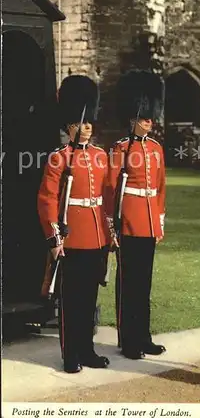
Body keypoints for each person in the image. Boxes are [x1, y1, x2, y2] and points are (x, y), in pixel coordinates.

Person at [38, 75, 112, 373]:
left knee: (90, 297)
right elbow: (47, 201)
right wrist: (55, 240)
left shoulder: (99, 156)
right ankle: (71, 354)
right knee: (71, 301)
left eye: (89, 123)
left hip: (96, 237)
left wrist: (110, 233)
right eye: (82, 123)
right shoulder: (59, 158)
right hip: (72, 238)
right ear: (69, 126)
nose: (87, 128)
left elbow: (106, 198)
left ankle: (87, 349)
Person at [108, 69, 166, 360]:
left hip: (149, 222)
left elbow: (161, 189)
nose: (150, 121)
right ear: (134, 118)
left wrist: (160, 221)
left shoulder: (156, 149)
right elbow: (111, 190)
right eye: (145, 117)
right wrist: (112, 227)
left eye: (151, 116)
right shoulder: (120, 149)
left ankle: (144, 337)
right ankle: (127, 339)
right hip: (128, 222)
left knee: (144, 284)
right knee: (128, 283)